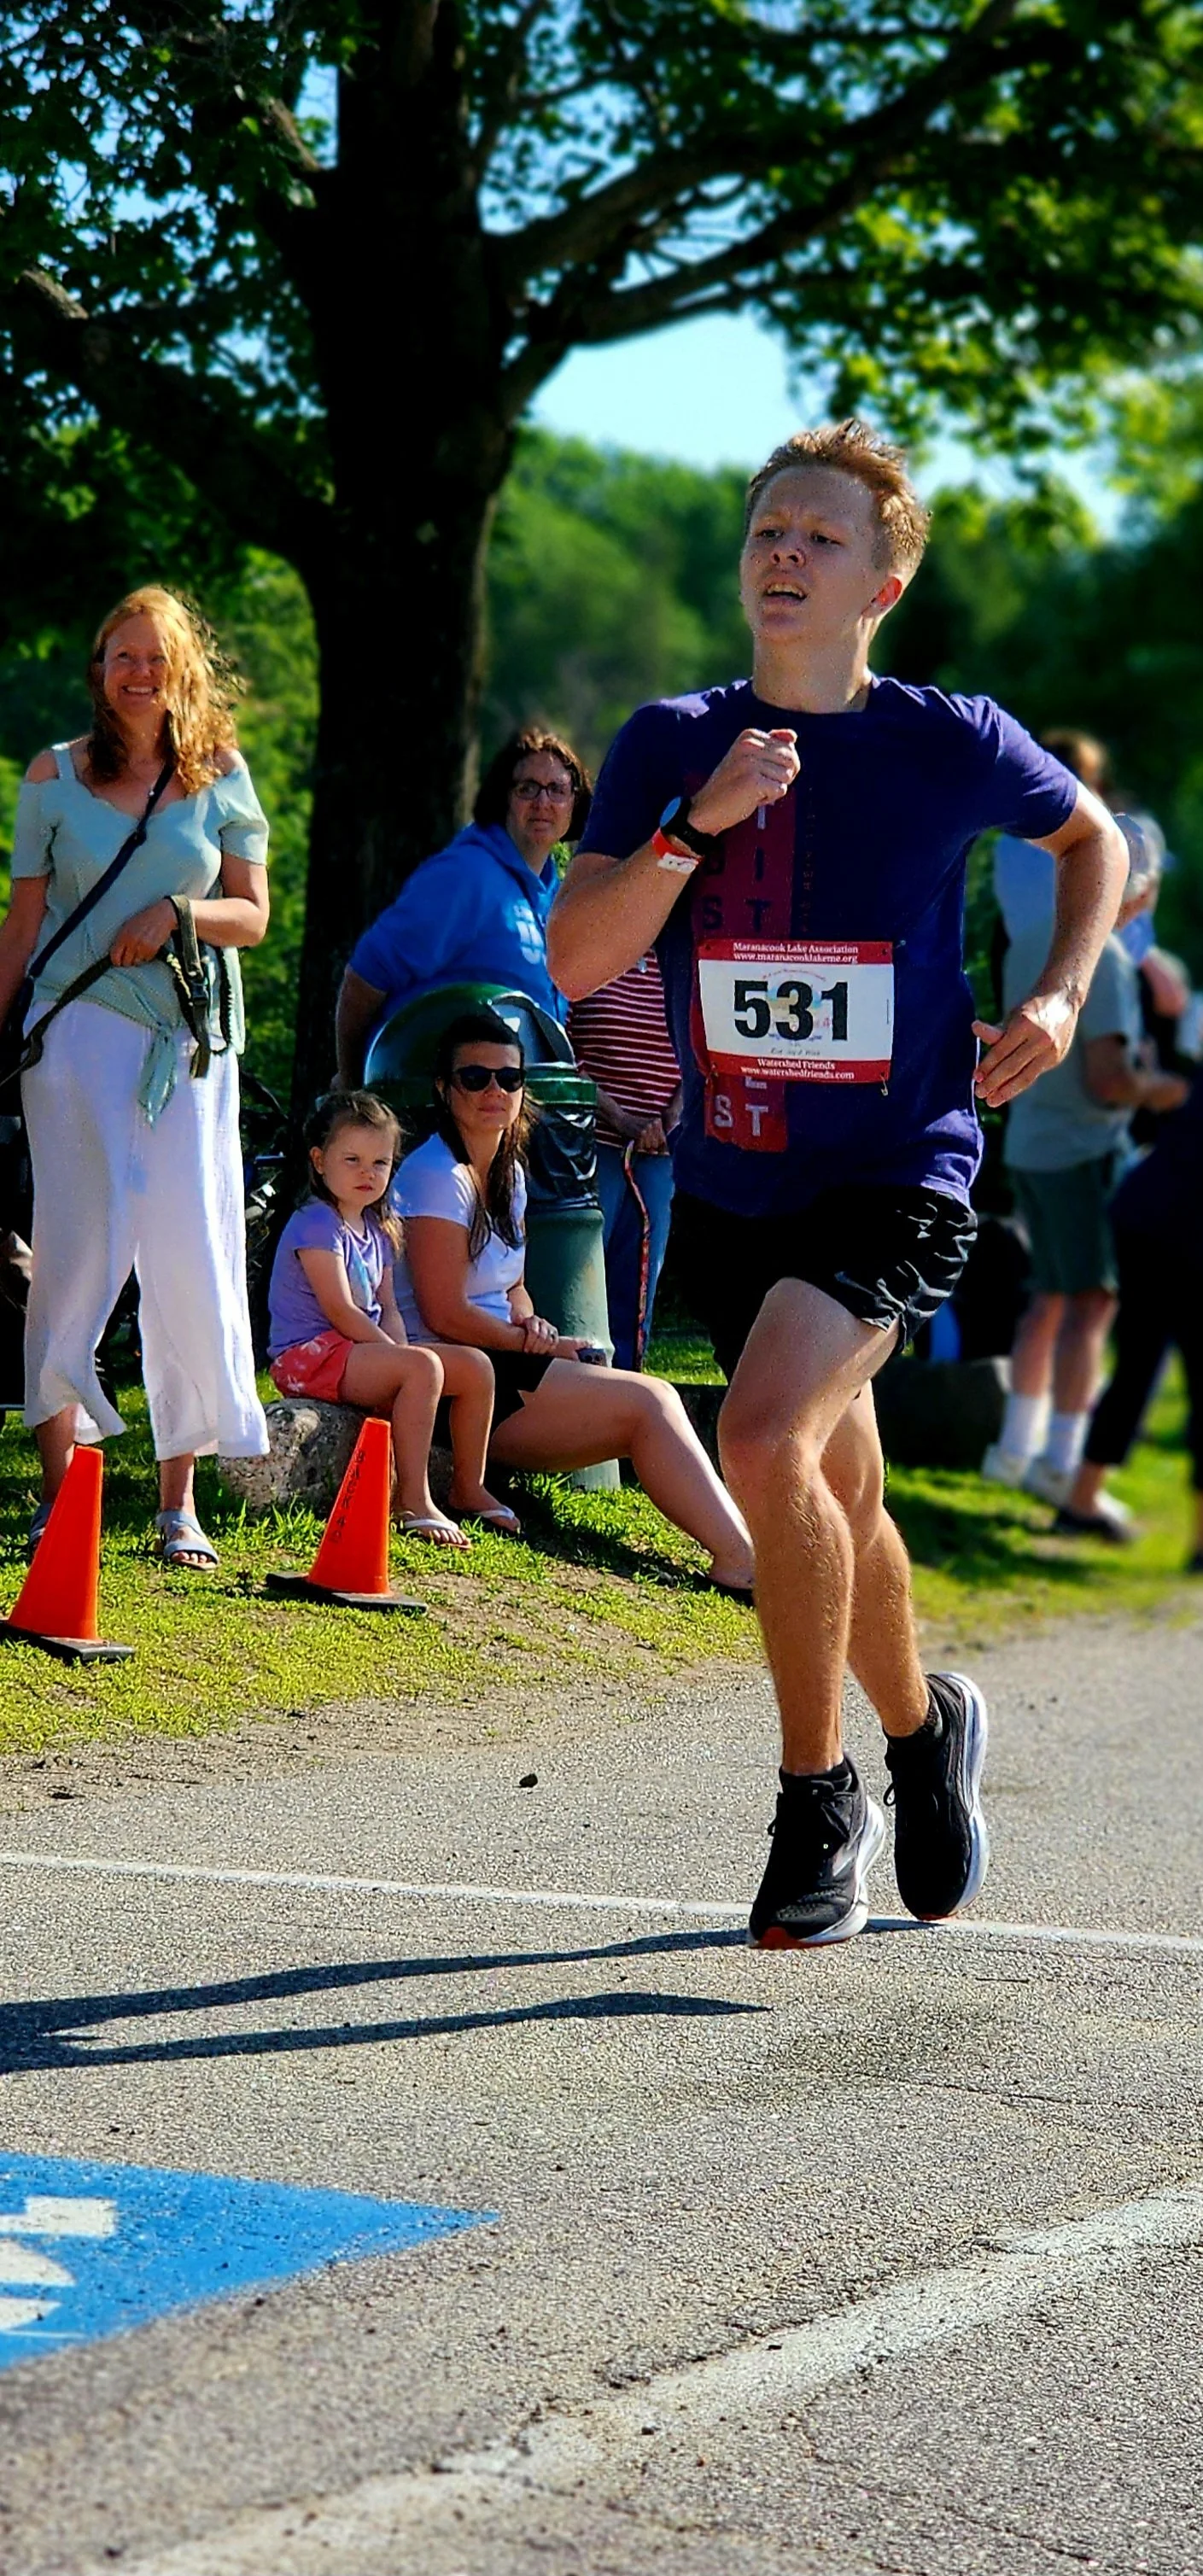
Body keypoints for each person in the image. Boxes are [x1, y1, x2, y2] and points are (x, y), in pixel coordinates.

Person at [548, 417, 1129, 1948]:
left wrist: (1060, 991)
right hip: (738, 1176)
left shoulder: (948, 737)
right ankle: (923, 1724)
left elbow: (1093, 851)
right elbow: (571, 959)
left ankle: (819, 1801)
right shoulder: (671, 740)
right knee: (836, 1485)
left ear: (881, 580)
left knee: (756, 1434)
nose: (781, 554)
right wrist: (692, 826)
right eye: (762, 534)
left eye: (816, 535)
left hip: (901, 1161)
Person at [0, 584, 271, 1570]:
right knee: (75, 1251)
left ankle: (176, 1505)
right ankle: (58, 1493)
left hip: (194, 1048)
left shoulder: (223, 776)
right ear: (98, 667)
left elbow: (255, 915)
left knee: (192, 1254)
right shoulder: (52, 775)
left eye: (156, 657)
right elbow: (22, 926)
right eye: (122, 656)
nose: (139, 673)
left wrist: (180, 914)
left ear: (184, 666)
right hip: (77, 1037)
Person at [391, 1011, 756, 1588]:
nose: (495, 1091)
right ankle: (744, 1562)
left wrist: (529, 1317)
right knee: (651, 1401)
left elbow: (507, 1281)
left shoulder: (506, 1166)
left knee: (648, 1398)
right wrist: (538, 1344)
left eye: (509, 1080)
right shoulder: (438, 1173)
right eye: (475, 1077)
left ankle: (745, 1554)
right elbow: (443, 1312)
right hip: (454, 1382)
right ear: (443, 1087)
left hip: (501, 1364)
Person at [982, 818, 1187, 1513]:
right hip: (1082, 1151)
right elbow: (1107, 1078)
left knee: (1046, 1299)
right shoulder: (1110, 959)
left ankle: (1012, 1451)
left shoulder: (1032, 939)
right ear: (1140, 889)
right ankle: (1062, 1463)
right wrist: (1161, 1089)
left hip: (1029, 1140)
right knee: (1090, 1304)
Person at [267, 1091, 510, 1546]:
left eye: (380, 1163)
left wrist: (403, 1352)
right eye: (353, 1159)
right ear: (319, 1161)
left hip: (358, 1347)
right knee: (421, 1367)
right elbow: (339, 1310)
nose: (367, 1173)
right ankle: (413, 1502)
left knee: (476, 1368)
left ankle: (468, 1486)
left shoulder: (380, 1228)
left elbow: (390, 1308)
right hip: (310, 1353)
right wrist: (402, 1358)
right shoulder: (316, 1223)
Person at [334, 729, 590, 1085]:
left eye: (557, 790)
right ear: (502, 798)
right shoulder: (464, 874)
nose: (543, 802)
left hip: (511, 1113)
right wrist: (350, 1084)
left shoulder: (555, 895)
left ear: (574, 804)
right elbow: (363, 979)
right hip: (429, 1109)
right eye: (527, 788)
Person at [1055, 1067, 1203, 1566]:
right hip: (1169, 1231)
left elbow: (1153, 1090)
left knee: (1139, 1367)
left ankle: (1080, 1502)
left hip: (1145, 1221)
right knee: (1147, 1368)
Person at [568, 952, 682, 1368]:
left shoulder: (681, 960)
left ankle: (628, 1391)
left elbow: (701, 1045)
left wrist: (673, 1119)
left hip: (660, 1152)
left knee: (638, 1281)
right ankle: (580, 1391)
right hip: (592, 1143)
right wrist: (619, 1117)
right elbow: (560, 1050)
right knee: (584, 1278)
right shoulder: (589, 951)